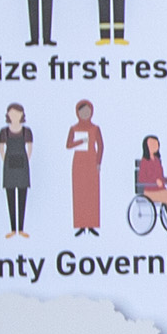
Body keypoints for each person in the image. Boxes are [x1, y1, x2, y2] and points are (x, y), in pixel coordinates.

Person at [65, 99, 104, 234]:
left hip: (92, 162)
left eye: (87, 111)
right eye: (82, 111)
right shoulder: (74, 128)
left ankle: (92, 224)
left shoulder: (95, 128)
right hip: (79, 163)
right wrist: (80, 141)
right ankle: (81, 225)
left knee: (92, 194)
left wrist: (98, 163)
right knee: (80, 193)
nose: (85, 114)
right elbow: (68, 145)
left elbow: (101, 146)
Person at [0, 103, 35, 238]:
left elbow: (30, 148)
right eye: (12, 113)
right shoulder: (4, 131)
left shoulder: (27, 131)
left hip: (22, 165)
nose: (14, 116)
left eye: (17, 113)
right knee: (10, 195)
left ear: (22, 115)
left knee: (22, 195)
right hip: (9, 165)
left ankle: (21, 228)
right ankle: (13, 228)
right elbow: (1, 148)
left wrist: (25, 161)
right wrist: (6, 161)